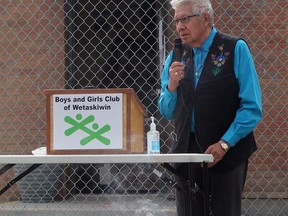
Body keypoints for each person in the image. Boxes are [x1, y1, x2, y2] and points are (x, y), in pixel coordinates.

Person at [158, 0, 262, 215]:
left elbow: (251, 107)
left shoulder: (235, 49)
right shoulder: (176, 55)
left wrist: (225, 144)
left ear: (205, 17)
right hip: (187, 154)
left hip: (226, 151)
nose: (179, 27)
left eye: (185, 19)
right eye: (176, 20)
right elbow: (166, 111)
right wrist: (171, 86)